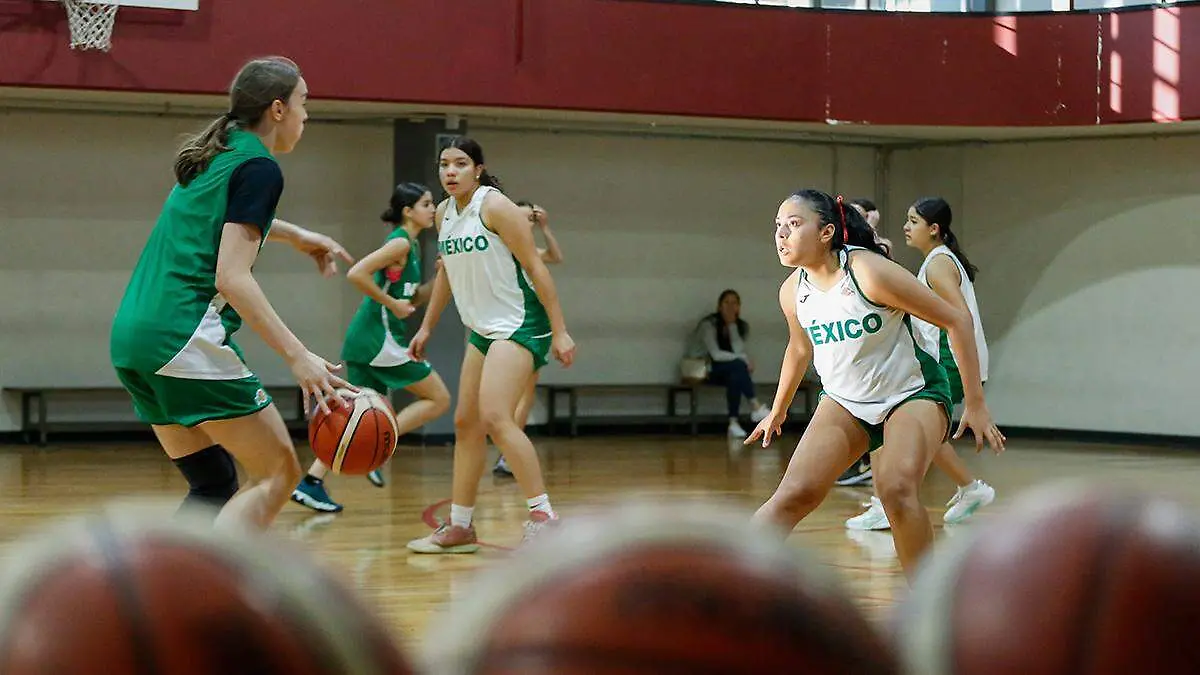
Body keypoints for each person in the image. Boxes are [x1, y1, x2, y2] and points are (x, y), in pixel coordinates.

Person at [109, 56, 355, 532]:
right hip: (181, 336)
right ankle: (217, 580)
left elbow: (224, 222)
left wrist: (297, 236)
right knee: (278, 473)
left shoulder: (218, 154)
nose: (307, 115)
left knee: (213, 485)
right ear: (278, 109)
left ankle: (173, 577)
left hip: (135, 339)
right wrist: (298, 356)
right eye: (304, 102)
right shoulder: (260, 167)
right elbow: (232, 278)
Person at [746, 188, 1005, 579]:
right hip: (845, 400)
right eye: (778, 225)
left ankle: (927, 599)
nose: (781, 234)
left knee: (897, 491)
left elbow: (957, 319)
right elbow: (799, 349)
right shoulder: (792, 291)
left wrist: (976, 403)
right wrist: (777, 411)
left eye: (794, 224)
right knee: (793, 495)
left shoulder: (867, 271)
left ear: (826, 232)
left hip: (911, 392)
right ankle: (721, 587)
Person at [406, 138, 576, 553]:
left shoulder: (496, 206)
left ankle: (545, 518)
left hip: (520, 324)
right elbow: (447, 273)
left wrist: (560, 331)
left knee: (497, 418)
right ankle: (460, 527)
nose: (450, 171)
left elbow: (537, 267)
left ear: (478, 169)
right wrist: (426, 327)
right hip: (483, 329)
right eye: (444, 164)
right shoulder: (444, 214)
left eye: (460, 163)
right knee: (466, 423)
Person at [291, 182, 453, 513]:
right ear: (408, 211)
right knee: (439, 399)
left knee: (355, 417)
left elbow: (412, 298)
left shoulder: (410, 246)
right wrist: (391, 304)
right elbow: (357, 273)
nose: (432, 209)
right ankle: (379, 444)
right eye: (426, 204)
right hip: (379, 341)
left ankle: (310, 483)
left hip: (369, 341)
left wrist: (440, 277)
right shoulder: (400, 243)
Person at [845, 197, 996, 531]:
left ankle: (891, 502)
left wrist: (976, 402)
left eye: (913, 221)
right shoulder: (938, 260)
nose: (906, 227)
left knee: (897, 425)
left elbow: (960, 319)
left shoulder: (939, 263)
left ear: (934, 229)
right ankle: (966, 488)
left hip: (947, 358)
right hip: (946, 356)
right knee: (915, 428)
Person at [493, 201, 564, 477]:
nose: (527, 222)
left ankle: (507, 456)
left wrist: (546, 228)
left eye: (531, 218)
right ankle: (508, 453)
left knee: (525, 394)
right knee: (504, 399)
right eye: (522, 217)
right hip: (508, 324)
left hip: (531, 326)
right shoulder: (503, 249)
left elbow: (556, 256)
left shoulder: (531, 251)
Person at [833, 197, 892, 488]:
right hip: (847, 366)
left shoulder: (874, 257)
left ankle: (879, 487)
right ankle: (864, 472)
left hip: (882, 365)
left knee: (879, 424)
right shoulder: (819, 271)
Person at [690, 289, 772, 438]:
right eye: (726, 303)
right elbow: (715, 355)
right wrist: (744, 359)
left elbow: (737, 350)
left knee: (735, 375)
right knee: (738, 366)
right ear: (719, 306)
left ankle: (733, 423)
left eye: (734, 303)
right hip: (702, 370)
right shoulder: (708, 325)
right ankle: (755, 406)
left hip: (725, 370)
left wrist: (732, 326)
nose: (730, 307)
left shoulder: (740, 326)